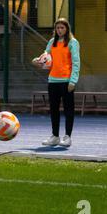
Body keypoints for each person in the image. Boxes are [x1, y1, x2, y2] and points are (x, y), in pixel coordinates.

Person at [32, 18, 80, 147]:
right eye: (58, 28)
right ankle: (55, 136)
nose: (60, 30)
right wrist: (36, 60)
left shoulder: (72, 43)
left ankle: (68, 137)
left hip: (67, 82)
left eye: (62, 28)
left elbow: (76, 63)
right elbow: (44, 57)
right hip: (53, 81)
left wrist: (73, 81)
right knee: (54, 109)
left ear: (67, 29)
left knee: (69, 109)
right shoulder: (52, 42)